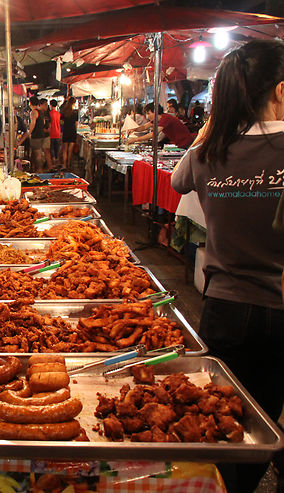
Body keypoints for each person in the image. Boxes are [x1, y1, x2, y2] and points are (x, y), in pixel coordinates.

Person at [171, 39, 284, 493]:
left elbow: (179, 181)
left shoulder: (205, 153)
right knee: (263, 422)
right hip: (278, 310)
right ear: (280, 90)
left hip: (224, 308)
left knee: (219, 414)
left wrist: (216, 124)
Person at [126, 103, 196, 148]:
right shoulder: (157, 119)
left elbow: (153, 134)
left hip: (186, 143)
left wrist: (135, 139)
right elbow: (144, 127)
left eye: (149, 113)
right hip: (179, 143)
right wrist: (133, 129)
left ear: (155, 111)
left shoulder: (165, 118)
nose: (148, 116)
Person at [18, 97, 51, 172]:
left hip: (36, 136)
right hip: (42, 135)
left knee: (37, 154)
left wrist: (29, 133)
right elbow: (44, 123)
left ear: (30, 103)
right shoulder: (41, 112)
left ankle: (40, 169)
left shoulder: (33, 112)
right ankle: (38, 168)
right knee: (39, 153)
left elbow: (32, 124)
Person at [60, 97, 78, 168]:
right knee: (70, 150)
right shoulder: (75, 112)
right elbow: (76, 124)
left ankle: (64, 164)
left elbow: (61, 122)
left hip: (65, 131)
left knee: (65, 149)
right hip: (72, 131)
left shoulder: (64, 111)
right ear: (74, 103)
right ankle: (68, 164)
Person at [48, 99, 62, 167]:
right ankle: (56, 161)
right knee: (57, 149)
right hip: (57, 133)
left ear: (50, 105)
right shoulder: (58, 114)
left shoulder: (49, 114)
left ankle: (53, 162)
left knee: (51, 149)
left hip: (51, 133)